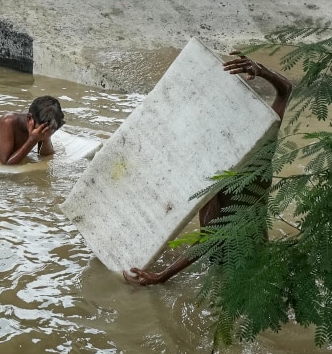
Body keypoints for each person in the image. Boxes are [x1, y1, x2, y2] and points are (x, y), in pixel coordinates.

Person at [123, 52, 292, 286]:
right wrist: (260, 70)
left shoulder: (229, 175)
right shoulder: (261, 148)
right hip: (251, 247)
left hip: (232, 261)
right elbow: (285, 89)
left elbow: (209, 238)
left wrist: (161, 276)